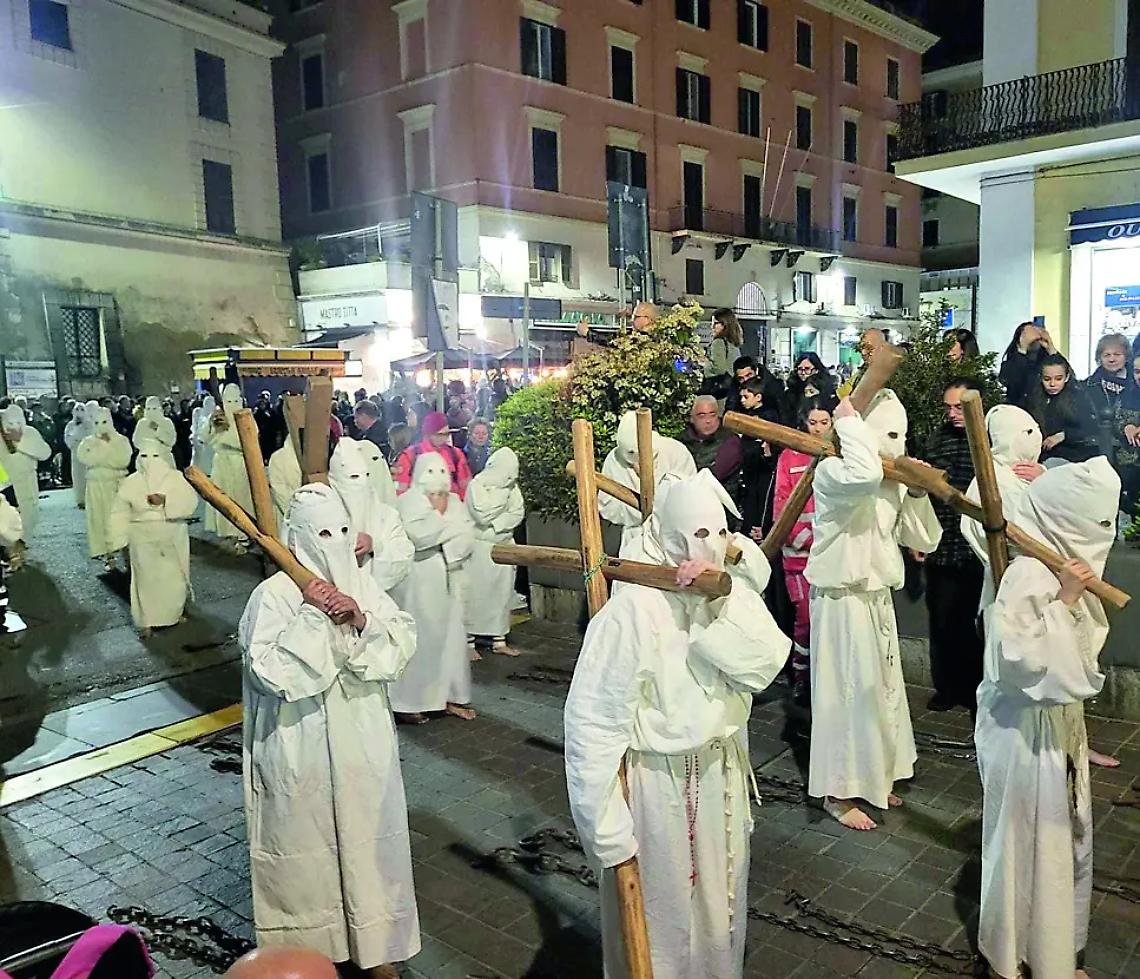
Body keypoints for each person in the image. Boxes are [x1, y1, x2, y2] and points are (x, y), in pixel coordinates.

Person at [563, 471, 791, 979]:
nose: (705, 547)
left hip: (719, 775)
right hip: (657, 787)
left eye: (716, 532)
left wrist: (716, 604)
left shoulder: (729, 594)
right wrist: (607, 830)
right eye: (695, 534)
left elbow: (763, 664)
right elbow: (594, 723)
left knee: (719, 908)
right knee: (661, 918)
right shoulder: (633, 611)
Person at [237, 483, 420, 978]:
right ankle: (310, 957)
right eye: (322, 532)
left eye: (342, 529)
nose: (334, 541)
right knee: (305, 856)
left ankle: (378, 948)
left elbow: (399, 642)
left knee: (370, 845)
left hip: (361, 739)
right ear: (297, 538)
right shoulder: (272, 595)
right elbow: (271, 673)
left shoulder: (363, 584)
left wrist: (361, 620)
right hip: (301, 743)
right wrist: (313, 617)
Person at [975, 458, 1118, 979]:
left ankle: (1055, 952)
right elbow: (1019, 663)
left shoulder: (1057, 562)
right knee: (1023, 846)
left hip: (1057, 727)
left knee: (1061, 840)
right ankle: (1011, 955)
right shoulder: (1027, 572)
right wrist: (1066, 602)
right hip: (1023, 732)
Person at [806, 392, 942, 830]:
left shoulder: (890, 480)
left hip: (875, 594)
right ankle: (837, 789)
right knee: (843, 693)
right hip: (841, 597)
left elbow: (924, 539)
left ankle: (876, 774)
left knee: (879, 691)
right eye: (884, 433)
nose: (893, 444)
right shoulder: (831, 472)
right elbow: (863, 471)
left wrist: (918, 491)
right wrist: (847, 421)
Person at [389, 454, 477, 723]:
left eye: (441, 469)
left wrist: (444, 535)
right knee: (422, 639)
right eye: (430, 469)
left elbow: (467, 534)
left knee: (451, 640)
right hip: (420, 582)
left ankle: (447, 697)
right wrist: (443, 523)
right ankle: (410, 702)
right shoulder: (408, 501)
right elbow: (418, 537)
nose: (437, 474)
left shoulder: (455, 502)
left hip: (451, 581)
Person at [920, 379, 986, 713]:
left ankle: (976, 687)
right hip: (942, 542)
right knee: (943, 620)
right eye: (948, 407)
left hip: (977, 548)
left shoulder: (988, 440)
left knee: (974, 623)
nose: (953, 414)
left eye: (959, 407)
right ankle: (947, 686)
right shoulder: (937, 439)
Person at [773, 398, 833, 707]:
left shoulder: (839, 457)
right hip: (800, 558)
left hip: (833, 558)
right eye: (814, 422)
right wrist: (810, 538)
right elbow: (781, 509)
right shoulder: (790, 457)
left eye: (825, 422)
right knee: (806, 621)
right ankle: (802, 680)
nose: (820, 429)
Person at [960, 404, 1045, 614]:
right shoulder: (995, 479)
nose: (1035, 439)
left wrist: (1045, 478)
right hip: (1012, 580)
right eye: (1027, 433)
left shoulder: (1026, 472)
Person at [108, 439, 198, 635]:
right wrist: (117, 538)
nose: (150, 461)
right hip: (141, 534)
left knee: (174, 575)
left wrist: (166, 500)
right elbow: (120, 511)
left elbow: (190, 502)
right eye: (144, 456)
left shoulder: (175, 478)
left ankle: (173, 613)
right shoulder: (131, 482)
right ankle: (146, 620)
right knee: (146, 578)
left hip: (172, 532)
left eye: (155, 456)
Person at [599, 409, 697, 556]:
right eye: (631, 455)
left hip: (675, 536)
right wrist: (640, 510)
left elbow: (692, 495)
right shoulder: (614, 460)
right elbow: (607, 506)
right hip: (635, 538)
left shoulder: (675, 452)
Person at [327, 438, 412, 594]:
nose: (359, 483)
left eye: (365, 476)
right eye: (352, 477)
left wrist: (375, 546)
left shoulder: (386, 516)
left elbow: (404, 554)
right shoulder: (320, 514)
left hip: (381, 603)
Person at [464, 447, 525, 657]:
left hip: (504, 545)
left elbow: (517, 512)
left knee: (501, 595)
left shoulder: (512, 488)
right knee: (475, 595)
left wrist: (497, 525)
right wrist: (502, 503)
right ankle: (469, 643)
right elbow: (481, 513)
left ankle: (499, 640)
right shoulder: (476, 485)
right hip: (479, 548)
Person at [77, 407, 133, 571]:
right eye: (97, 422)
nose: (101, 426)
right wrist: (103, 450)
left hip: (117, 484)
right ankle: (109, 556)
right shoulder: (88, 442)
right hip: (97, 486)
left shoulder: (121, 440)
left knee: (122, 519)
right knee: (101, 520)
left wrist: (104, 455)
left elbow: (122, 461)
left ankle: (127, 555)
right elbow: (86, 459)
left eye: (104, 422)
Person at [205, 385, 256, 551]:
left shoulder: (246, 418)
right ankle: (228, 532)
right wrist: (212, 425)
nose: (231, 404)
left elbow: (249, 440)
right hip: (221, 464)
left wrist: (227, 433)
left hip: (239, 464)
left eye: (235, 400)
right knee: (222, 497)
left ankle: (245, 536)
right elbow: (204, 437)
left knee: (241, 499)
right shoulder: (218, 416)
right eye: (228, 401)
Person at [1027, 354, 1101, 465]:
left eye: (1058, 379)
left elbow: (1091, 427)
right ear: (1040, 378)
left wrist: (1063, 435)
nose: (1052, 384)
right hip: (1040, 455)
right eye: (1047, 379)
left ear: (1066, 378)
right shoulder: (1035, 398)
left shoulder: (1078, 397)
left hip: (1074, 456)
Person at [392, 411, 472, 500]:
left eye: (446, 434)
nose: (444, 438)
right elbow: (401, 491)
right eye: (439, 434)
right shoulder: (410, 456)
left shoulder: (456, 454)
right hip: (419, 508)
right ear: (428, 434)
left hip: (450, 508)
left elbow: (465, 487)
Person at [0, 405, 51, 538]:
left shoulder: (30, 432)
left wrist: (21, 442)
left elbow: (45, 453)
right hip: (8, 485)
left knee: (31, 514)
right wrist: (3, 482)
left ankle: (23, 540)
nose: (14, 426)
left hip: (28, 481)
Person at [1083, 333, 1130, 462]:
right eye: (1107, 355)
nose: (1112, 359)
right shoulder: (1088, 385)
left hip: (1132, 446)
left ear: (1126, 357)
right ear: (1099, 358)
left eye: (1117, 354)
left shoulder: (1136, 382)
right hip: (1098, 449)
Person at [999, 321, 1056, 408]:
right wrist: (1022, 348)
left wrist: (1051, 349)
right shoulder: (1010, 364)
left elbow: (1068, 378)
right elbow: (1013, 382)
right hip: (1019, 413)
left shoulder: (1048, 363)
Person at [1116, 354, 1140, 527]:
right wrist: (1126, 426)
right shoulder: (1128, 394)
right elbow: (1115, 418)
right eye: (1138, 371)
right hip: (1129, 456)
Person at [700, 308, 743, 404]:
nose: (712, 326)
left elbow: (719, 368)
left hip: (719, 393)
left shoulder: (718, 343)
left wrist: (703, 363)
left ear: (724, 324)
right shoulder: (733, 343)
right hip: (732, 391)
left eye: (715, 323)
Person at [575, 302, 658, 347]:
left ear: (647, 319)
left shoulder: (645, 338)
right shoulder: (654, 335)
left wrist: (588, 333)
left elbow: (613, 341)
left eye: (636, 317)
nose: (632, 321)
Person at [784, 353, 838, 419]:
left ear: (816, 370)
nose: (803, 373)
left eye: (807, 369)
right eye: (800, 369)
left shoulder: (827, 391)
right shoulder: (790, 392)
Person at [268, 438, 302, 542]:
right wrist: (294, 512)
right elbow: (278, 489)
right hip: (286, 511)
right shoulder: (278, 458)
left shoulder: (316, 459)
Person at [132, 397, 177, 469]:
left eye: (154, 409)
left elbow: (171, 441)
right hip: (146, 461)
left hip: (164, 459)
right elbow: (136, 441)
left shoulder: (166, 422)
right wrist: (147, 447)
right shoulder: (142, 423)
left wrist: (158, 430)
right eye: (149, 408)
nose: (151, 411)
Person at [64, 402, 93, 507]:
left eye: (82, 410)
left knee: (88, 476)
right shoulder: (70, 425)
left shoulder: (89, 424)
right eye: (77, 410)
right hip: (75, 454)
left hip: (88, 453)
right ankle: (80, 499)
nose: (79, 412)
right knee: (77, 476)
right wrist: (75, 436)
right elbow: (68, 439)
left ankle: (90, 498)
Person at [253, 391, 284, 462]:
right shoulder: (257, 412)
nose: (262, 403)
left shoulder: (271, 411)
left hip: (270, 434)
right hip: (262, 434)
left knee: (270, 449)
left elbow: (276, 422)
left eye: (264, 401)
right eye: (261, 402)